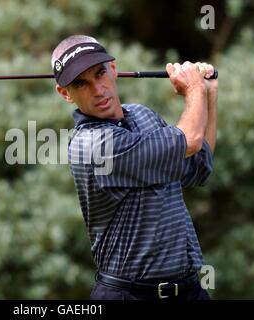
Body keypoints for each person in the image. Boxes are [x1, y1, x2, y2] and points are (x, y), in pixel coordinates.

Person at [51, 35, 218, 300]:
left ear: (114, 69)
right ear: (65, 94)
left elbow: (200, 167)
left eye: (100, 73)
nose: (97, 89)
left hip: (189, 291)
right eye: (81, 83)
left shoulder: (143, 115)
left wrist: (208, 93)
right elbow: (191, 140)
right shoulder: (92, 145)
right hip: (129, 294)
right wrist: (194, 90)